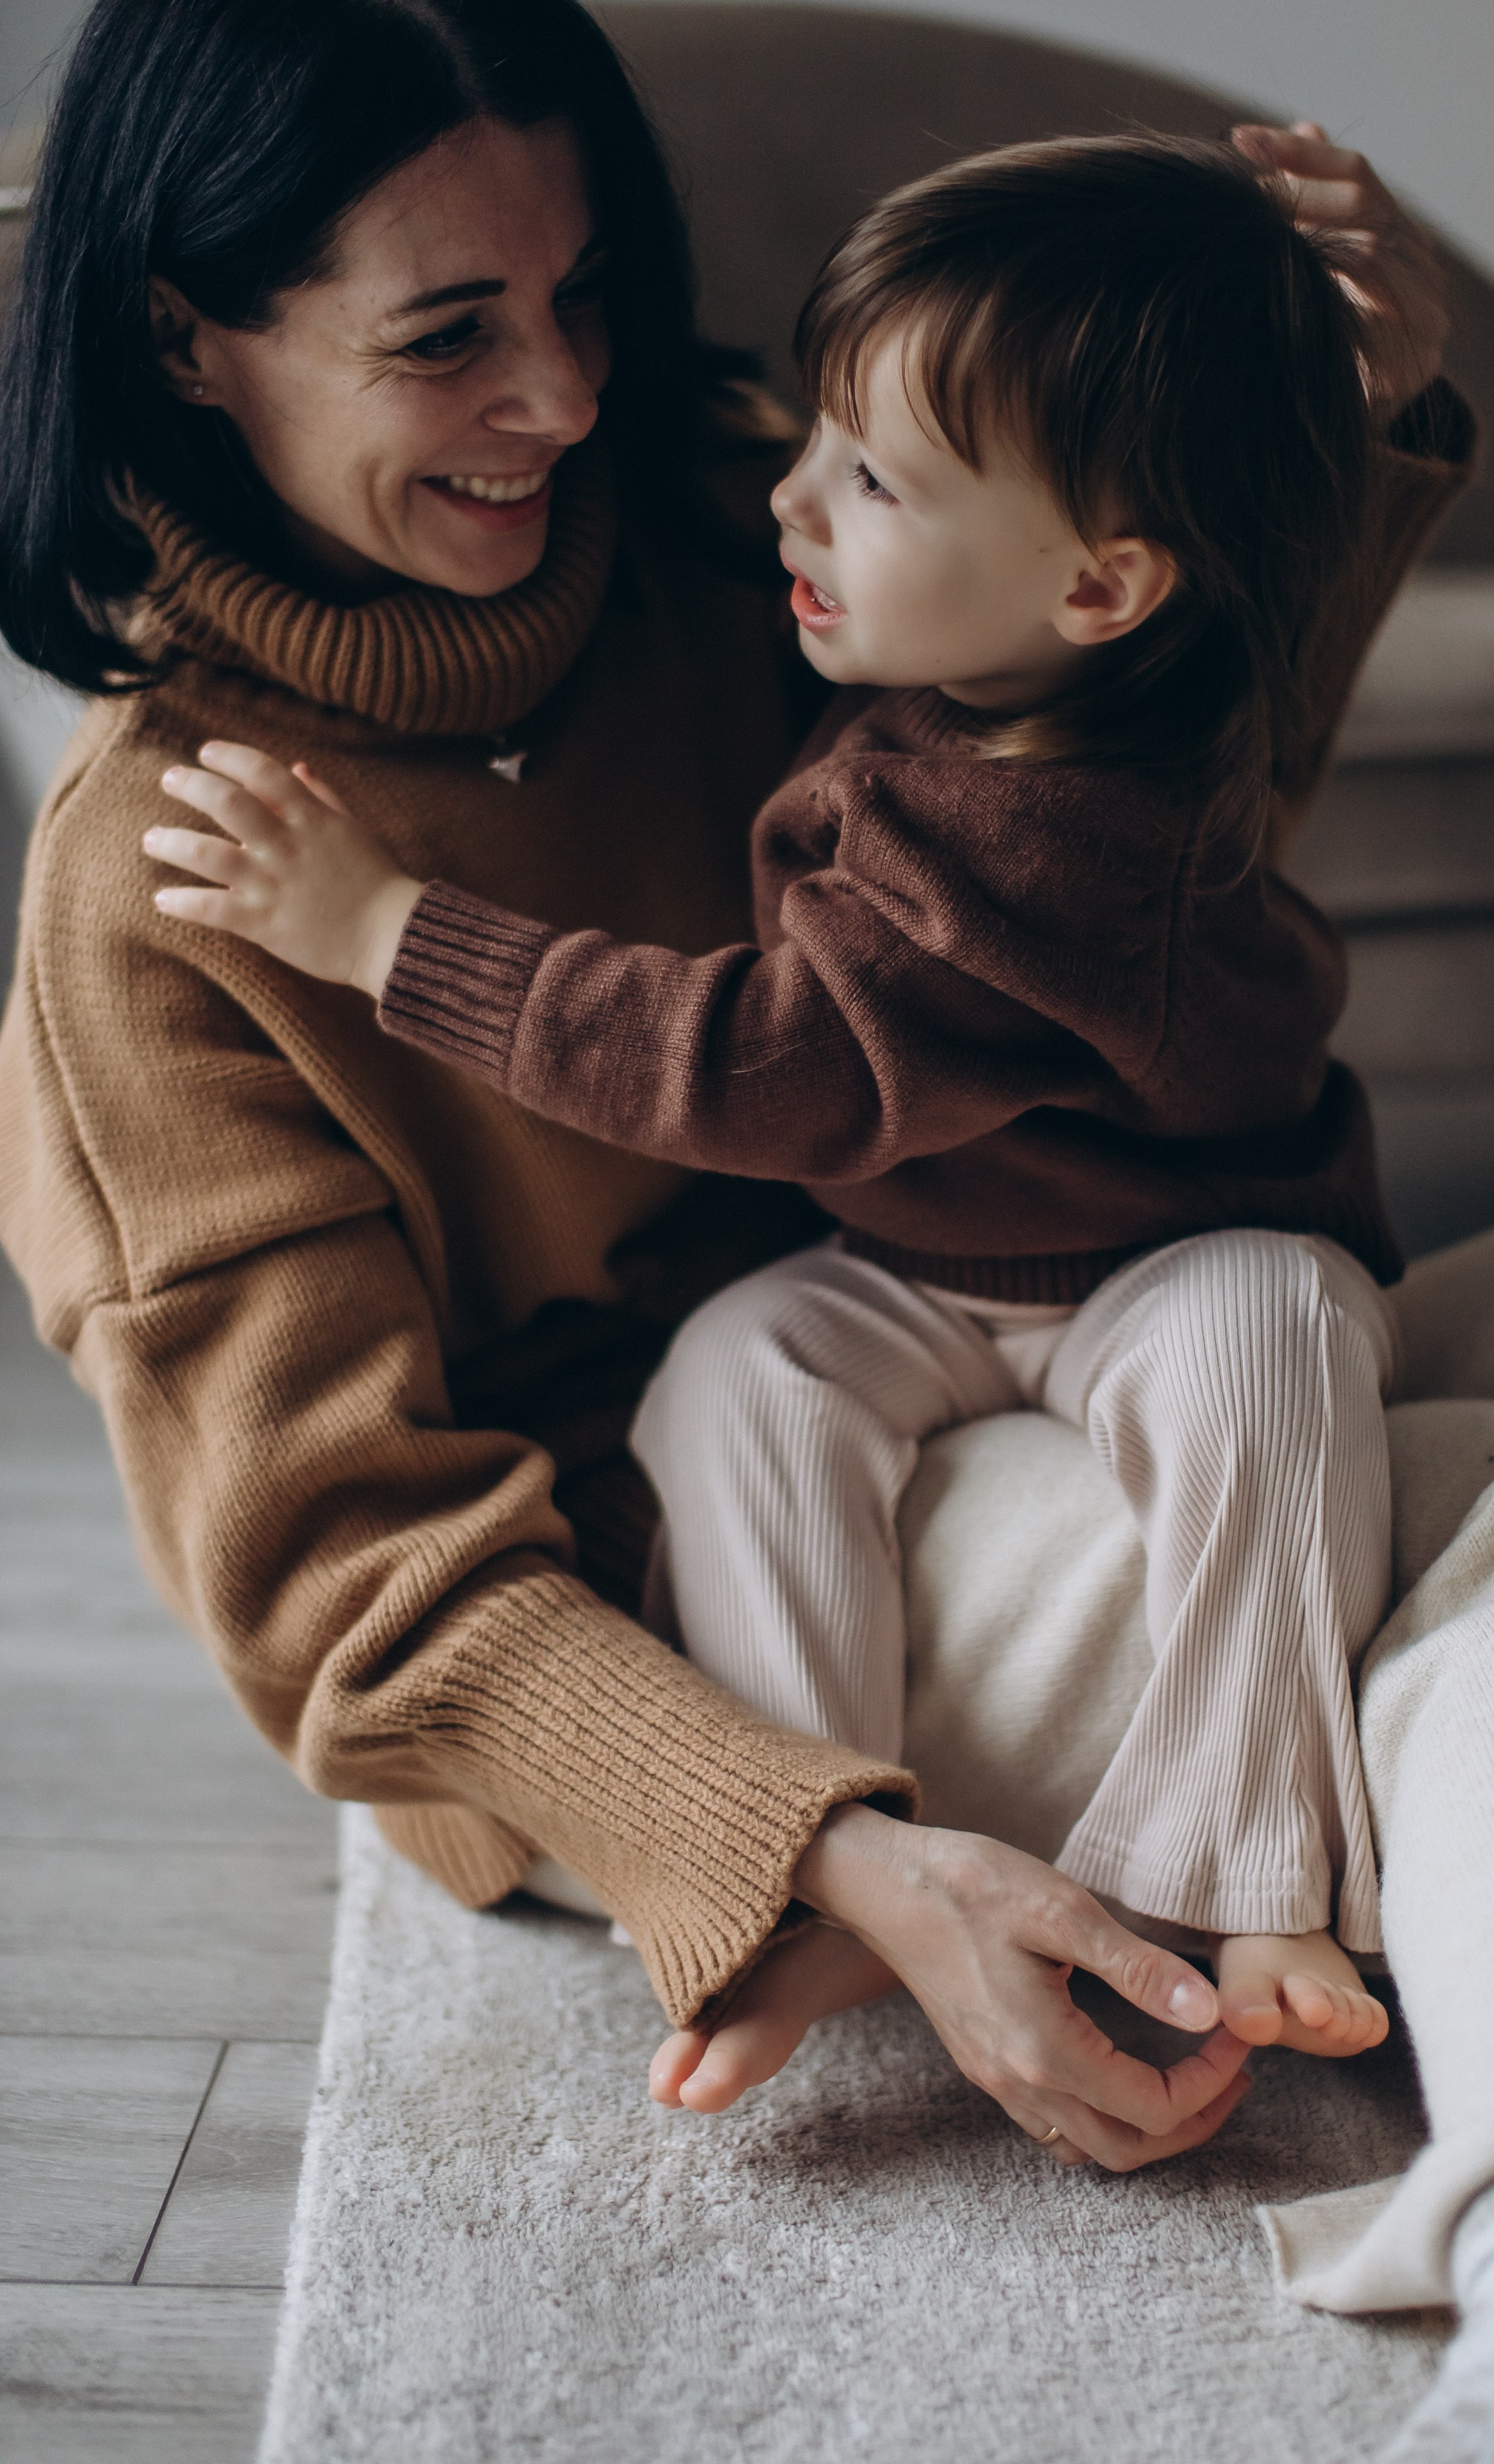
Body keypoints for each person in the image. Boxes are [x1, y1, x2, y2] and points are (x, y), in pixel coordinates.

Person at [1, 0, 1494, 2464]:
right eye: (446, 337)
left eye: (586, 293)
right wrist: (819, 1854)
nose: (566, 394)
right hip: (740, 1519)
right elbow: (346, 1595)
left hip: (1068, 1290)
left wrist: (1306, 435)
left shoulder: (741, 520)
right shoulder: (163, 890)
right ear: (188, 334)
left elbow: (1130, 874)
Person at [141, 131, 1408, 2076]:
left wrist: (389, 931)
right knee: (740, 1376)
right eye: (817, 440)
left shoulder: (1048, 831)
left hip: (1162, 1255)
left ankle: (1245, 1870)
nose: (792, 499)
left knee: (1281, 1332)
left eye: (871, 480)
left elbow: (755, 1067)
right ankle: (841, 1846)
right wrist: (1343, 386)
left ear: (1102, 587)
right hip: (913, 1256)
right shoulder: (981, 655)